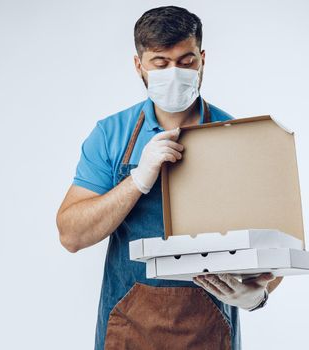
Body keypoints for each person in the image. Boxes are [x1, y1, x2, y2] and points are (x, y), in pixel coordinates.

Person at [56, 6, 282, 350]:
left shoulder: (235, 137)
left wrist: (257, 296)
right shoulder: (111, 135)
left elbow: (275, 245)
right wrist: (136, 182)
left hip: (209, 330)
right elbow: (71, 235)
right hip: (127, 329)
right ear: (139, 66)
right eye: (160, 64)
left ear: (203, 59)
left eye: (186, 61)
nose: (174, 73)